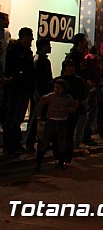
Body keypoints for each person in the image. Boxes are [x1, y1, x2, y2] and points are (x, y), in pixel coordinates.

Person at [3, 27, 35, 155]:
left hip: (24, 88)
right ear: (24, 37)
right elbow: (12, 69)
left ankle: (15, 144)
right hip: (16, 88)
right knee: (12, 118)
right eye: (30, 36)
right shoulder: (14, 50)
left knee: (18, 118)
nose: (32, 39)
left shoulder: (27, 52)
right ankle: (9, 146)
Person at [35, 78, 78, 170]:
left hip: (62, 121)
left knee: (61, 142)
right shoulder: (51, 96)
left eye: (59, 88)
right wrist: (39, 117)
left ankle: (61, 162)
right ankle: (38, 163)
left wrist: (69, 109)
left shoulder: (68, 98)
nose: (56, 90)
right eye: (55, 87)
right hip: (51, 121)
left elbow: (73, 108)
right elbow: (41, 103)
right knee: (44, 142)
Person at [25, 38, 53, 152]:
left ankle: (43, 141)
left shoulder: (45, 60)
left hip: (45, 94)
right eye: (48, 45)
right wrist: (36, 94)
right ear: (43, 46)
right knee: (34, 118)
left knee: (43, 119)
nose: (50, 47)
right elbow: (34, 79)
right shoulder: (38, 60)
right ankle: (29, 143)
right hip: (39, 94)